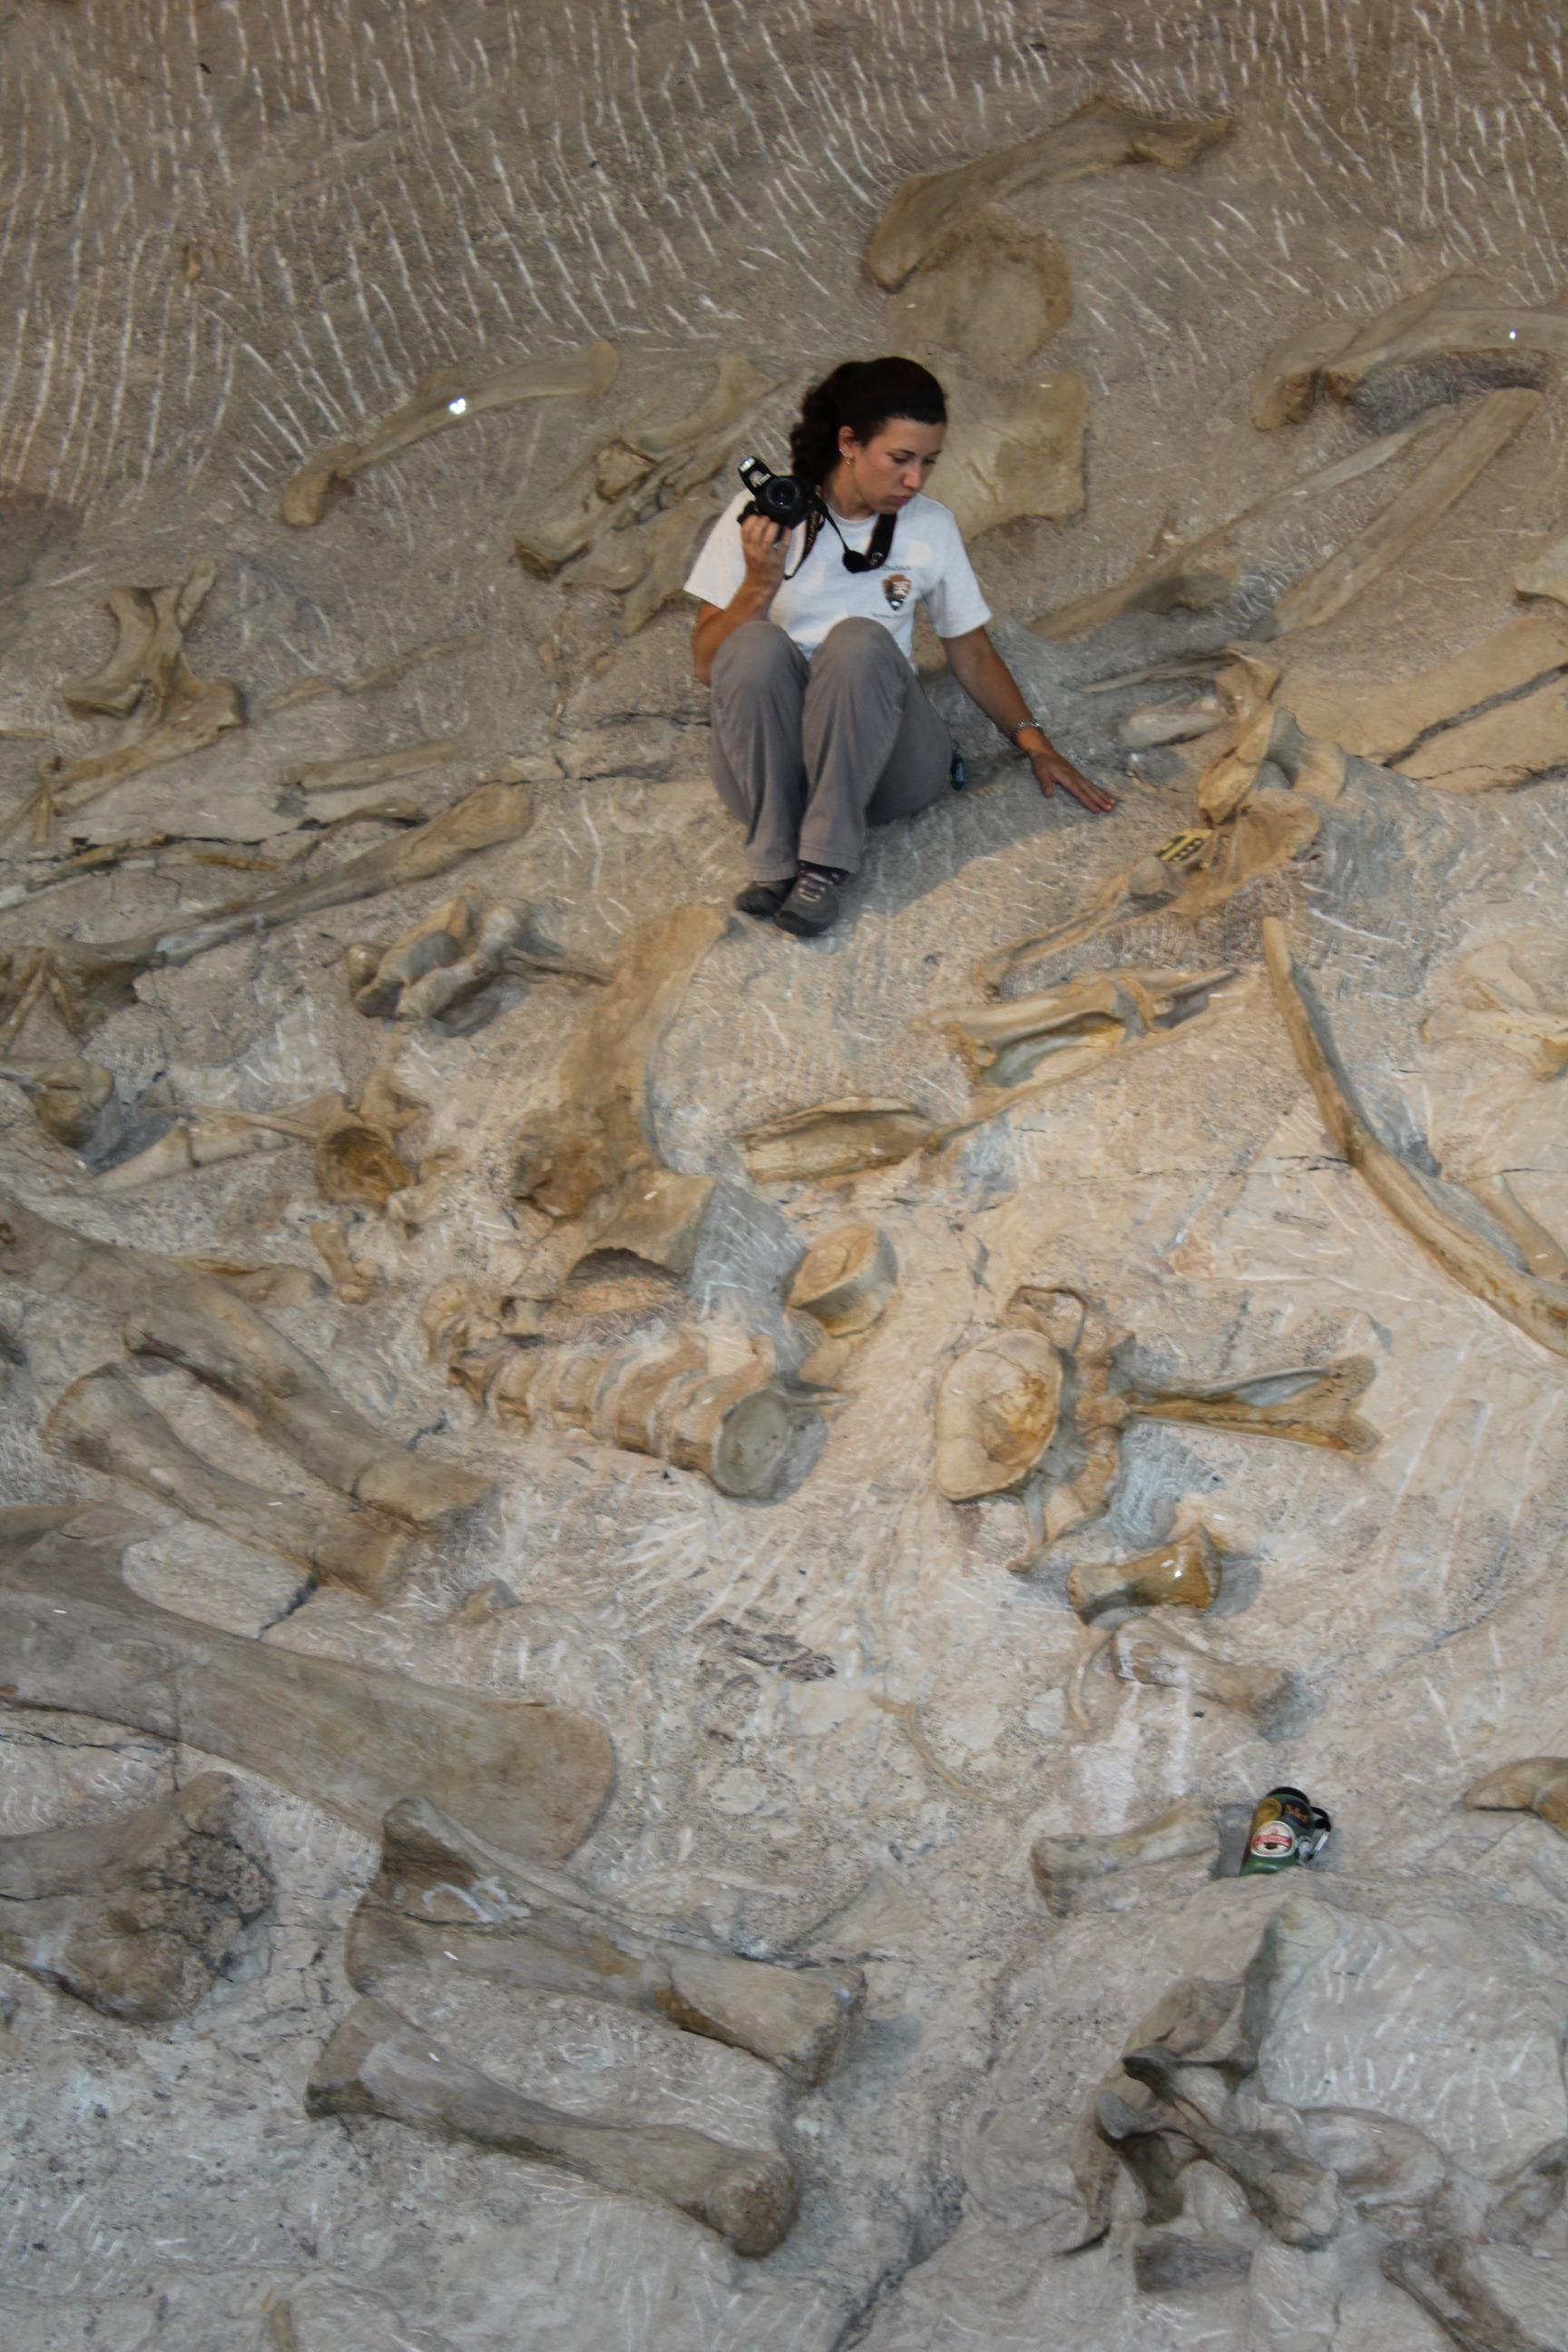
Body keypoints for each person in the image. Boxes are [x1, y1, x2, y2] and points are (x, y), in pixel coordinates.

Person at [684, 355, 1115, 938]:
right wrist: (759, 584)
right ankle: (775, 865)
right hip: (772, 773)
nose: (915, 481)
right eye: (901, 460)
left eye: (928, 463)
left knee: (859, 640)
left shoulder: (929, 527)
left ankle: (823, 868)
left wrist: (1036, 743)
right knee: (754, 643)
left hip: (886, 767)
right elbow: (712, 666)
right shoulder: (756, 517)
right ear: (849, 443)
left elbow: (973, 652)